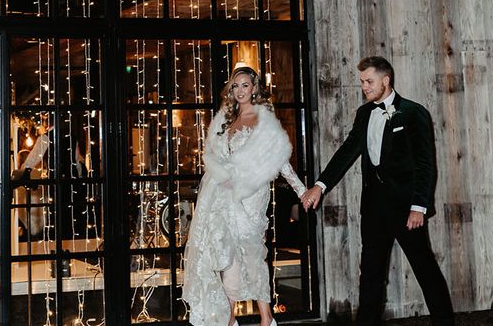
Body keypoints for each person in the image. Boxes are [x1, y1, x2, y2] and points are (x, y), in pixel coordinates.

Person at [302, 56, 454, 326]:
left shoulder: (413, 112)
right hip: (373, 209)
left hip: (407, 209)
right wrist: (319, 185)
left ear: (386, 80)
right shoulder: (363, 114)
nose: (364, 87)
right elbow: (347, 152)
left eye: (369, 81)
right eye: (362, 82)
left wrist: (418, 206)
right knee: (370, 274)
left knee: (425, 269)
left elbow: (424, 163)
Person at [183, 63, 308, 326]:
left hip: (252, 195)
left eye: (245, 85)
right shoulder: (225, 119)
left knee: (250, 253)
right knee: (227, 255)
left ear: (254, 89)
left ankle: (266, 317)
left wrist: (301, 190)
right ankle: (228, 318)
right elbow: (213, 157)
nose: (240, 90)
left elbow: (281, 161)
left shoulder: (263, 120)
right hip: (225, 195)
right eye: (235, 86)